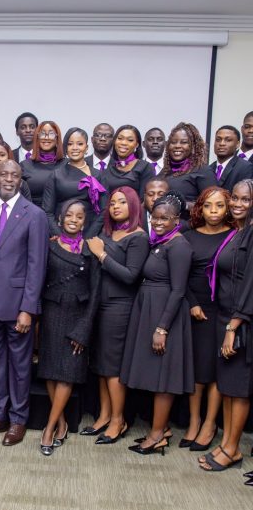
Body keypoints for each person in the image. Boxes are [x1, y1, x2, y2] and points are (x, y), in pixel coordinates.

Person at [0, 160, 48, 446]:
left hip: (18, 306)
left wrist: (28, 308)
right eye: (3, 174)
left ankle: (18, 420)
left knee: (19, 366)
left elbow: (36, 266)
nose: (8, 179)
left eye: (14, 175)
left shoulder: (34, 214)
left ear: (20, 180)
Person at [121, 193, 194, 455]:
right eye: (155, 217)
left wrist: (162, 328)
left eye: (165, 218)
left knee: (164, 379)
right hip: (150, 310)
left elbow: (178, 290)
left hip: (165, 315)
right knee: (155, 375)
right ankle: (160, 429)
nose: (158, 222)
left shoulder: (179, 246)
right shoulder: (160, 243)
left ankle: (157, 435)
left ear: (176, 220)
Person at [85, 187, 149, 443]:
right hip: (100, 304)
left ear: (133, 205)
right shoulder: (107, 231)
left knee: (112, 368)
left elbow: (131, 276)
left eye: (122, 202)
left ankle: (118, 420)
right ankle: (104, 415)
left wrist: (101, 254)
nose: (116, 207)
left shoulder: (138, 236)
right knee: (101, 365)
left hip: (120, 307)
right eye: (112, 203)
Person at [38, 199, 101, 455]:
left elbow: (96, 293)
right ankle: (62, 423)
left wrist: (85, 328)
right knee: (51, 372)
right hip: (52, 313)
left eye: (79, 217)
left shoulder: (91, 248)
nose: (73, 220)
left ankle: (49, 428)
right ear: (61, 219)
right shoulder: (50, 246)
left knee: (67, 373)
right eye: (69, 215)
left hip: (78, 316)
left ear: (85, 222)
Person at [199, 179, 253, 473]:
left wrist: (233, 327)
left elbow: (250, 285)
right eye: (236, 198)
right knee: (228, 386)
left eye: (246, 200)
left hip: (241, 321)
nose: (238, 204)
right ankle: (227, 444)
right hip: (225, 317)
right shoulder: (237, 232)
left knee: (239, 388)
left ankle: (232, 448)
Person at [180, 187, 233, 450]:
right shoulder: (187, 235)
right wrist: (192, 303)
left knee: (214, 371)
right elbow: (179, 275)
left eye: (220, 205)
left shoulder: (235, 236)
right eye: (208, 206)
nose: (214, 211)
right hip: (194, 308)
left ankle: (210, 424)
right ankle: (194, 421)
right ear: (200, 208)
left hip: (221, 309)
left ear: (228, 208)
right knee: (195, 370)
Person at [42, 127, 107, 238]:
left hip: (89, 234)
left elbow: (103, 211)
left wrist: (88, 238)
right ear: (65, 148)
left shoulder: (98, 175)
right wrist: (61, 238)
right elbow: (47, 211)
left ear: (86, 148)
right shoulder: (56, 175)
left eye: (80, 144)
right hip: (60, 234)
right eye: (70, 144)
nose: (75, 148)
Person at [161, 122, 217, 214]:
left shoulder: (203, 171)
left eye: (184, 142)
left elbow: (213, 205)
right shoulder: (165, 171)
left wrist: (185, 205)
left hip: (188, 222)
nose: (177, 146)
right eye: (173, 142)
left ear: (193, 146)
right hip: (163, 221)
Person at [101, 125, 155, 198]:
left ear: (137, 145)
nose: (123, 143)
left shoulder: (145, 167)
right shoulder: (107, 170)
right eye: (120, 138)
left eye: (130, 140)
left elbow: (146, 199)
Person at [20, 121, 65, 208]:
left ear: (57, 138)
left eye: (51, 134)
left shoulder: (66, 164)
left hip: (60, 214)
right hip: (32, 213)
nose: (46, 137)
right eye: (42, 134)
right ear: (37, 138)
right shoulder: (24, 166)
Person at [210, 125, 253, 192]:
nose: (222, 143)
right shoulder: (209, 168)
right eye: (218, 140)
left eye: (228, 140)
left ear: (237, 144)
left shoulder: (246, 167)